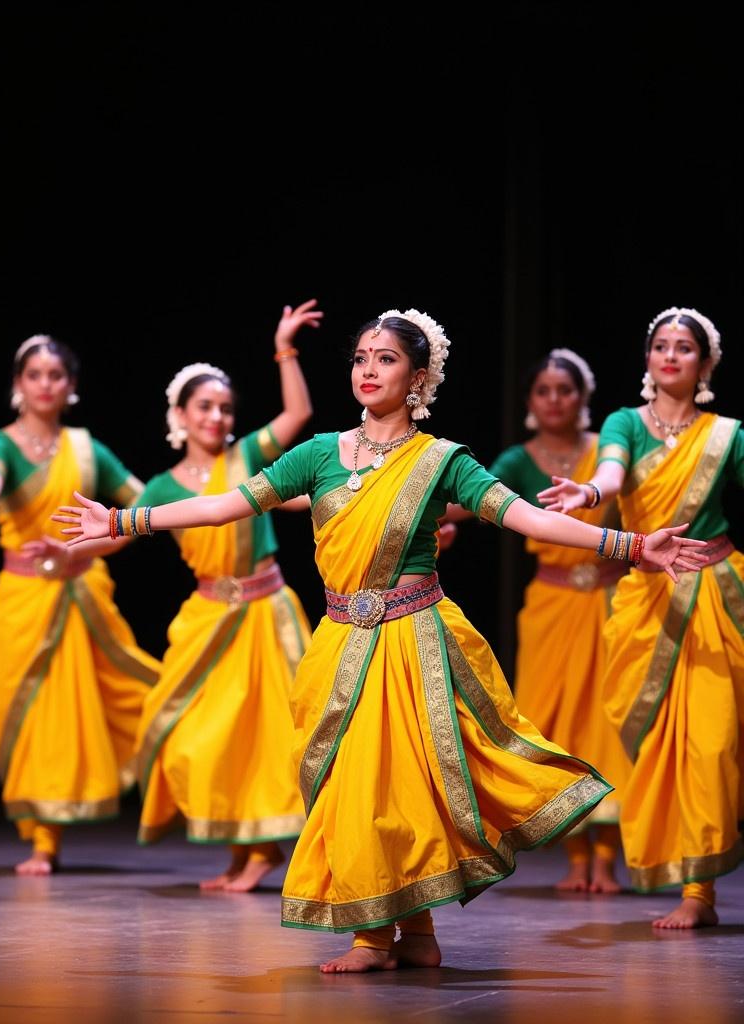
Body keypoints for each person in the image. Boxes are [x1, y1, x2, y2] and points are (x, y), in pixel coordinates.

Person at [53, 307, 706, 970]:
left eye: (386, 358)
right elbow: (224, 503)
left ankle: (377, 937)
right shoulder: (317, 455)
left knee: (399, 787)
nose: (368, 369)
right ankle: (416, 933)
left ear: (419, 376)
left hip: (414, 642)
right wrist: (125, 518)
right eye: (361, 357)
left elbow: (525, 518)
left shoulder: (441, 460)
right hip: (340, 644)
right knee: (359, 783)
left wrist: (626, 544)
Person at [538, 306, 743, 929]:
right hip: (646, 600)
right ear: (648, 359)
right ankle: (666, 867)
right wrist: (588, 494)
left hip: (715, 594)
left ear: (704, 363)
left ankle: (698, 895)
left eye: (684, 348)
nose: (671, 356)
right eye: (661, 346)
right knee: (654, 744)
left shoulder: (727, 435)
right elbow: (612, 469)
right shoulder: (625, 422)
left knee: (709, 743)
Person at [130, 301, 318, 891]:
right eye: (205, 406)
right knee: (195, 737)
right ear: (180, 415)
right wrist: (61, 549)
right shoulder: (160, 487)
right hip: (208, 616)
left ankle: (260, 851)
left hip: (266, 613)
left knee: (262, 735)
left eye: (225, 407)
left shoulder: (246, 459)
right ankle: (242, 853)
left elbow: (299, 412)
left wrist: (283, 347)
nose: (217, 415)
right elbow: (119, 535)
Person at [0, 334, 161, 874]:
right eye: (34, 374)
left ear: (71, 387)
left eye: (56, 375)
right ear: (18, 385)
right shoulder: (0, 444)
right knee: (24, 716)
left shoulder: (86, 449)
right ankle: (40, 834)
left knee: (115, 700)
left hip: (82, 598)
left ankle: (178, 788)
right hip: (22, 602)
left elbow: (146, 497)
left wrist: (108, 536)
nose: (45, 384)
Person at [482, 349, 633, 893]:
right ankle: (575, 857)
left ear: (583, 397)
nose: (554, 400)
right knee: (558, 722)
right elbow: (468, 498)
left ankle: (606, 858)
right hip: (550, 608)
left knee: (608, 719)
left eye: (564, 390)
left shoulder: (611, 453)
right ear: (529, 402)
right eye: (543, 391)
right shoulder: (517, 460)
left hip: (612, 604)